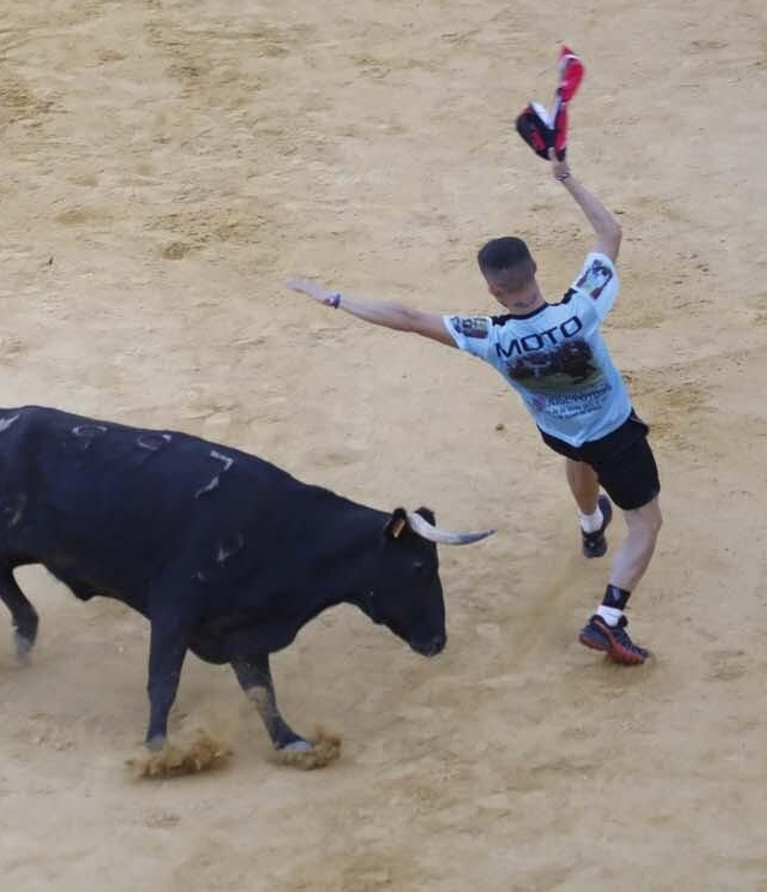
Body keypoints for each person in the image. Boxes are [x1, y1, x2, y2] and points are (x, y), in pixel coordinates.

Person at [282, 153, 662, 665]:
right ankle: (609, 619)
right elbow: (610, 233)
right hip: (614, 432)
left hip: (559, 430)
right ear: (535, 271)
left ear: (492, 289)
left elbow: (409, 317)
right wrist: (566, 177)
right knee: (645, 524)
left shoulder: (490, 337)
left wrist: (333, 298)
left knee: (578, 455)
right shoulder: (583, 307)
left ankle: (591, 521)